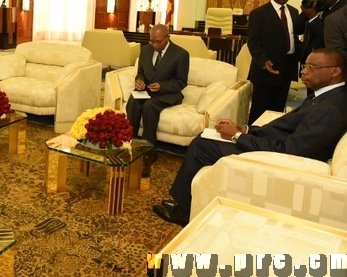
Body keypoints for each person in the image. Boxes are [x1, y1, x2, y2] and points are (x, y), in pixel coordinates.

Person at [153, 48, 347, 227]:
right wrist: (245, 130)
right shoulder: (323, 97)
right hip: (277, 147)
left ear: (335, 71)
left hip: (278, 159)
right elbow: (286, 127)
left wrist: (237, 137)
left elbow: (289, 150)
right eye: (305, 66)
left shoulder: (330, 109)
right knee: (206, 137)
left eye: (312, 67)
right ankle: (185, 201)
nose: (304, 71)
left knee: (201, 145)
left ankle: (184, 211)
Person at [126, 24, 189, 175]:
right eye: (152, 41)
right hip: (146, 91)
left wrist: (162, 86)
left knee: (149, 107)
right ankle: (131, 144)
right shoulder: (146, 50)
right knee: (133, 102)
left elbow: (181, 81)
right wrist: (139, 80)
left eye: (158, 42)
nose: (154, 45)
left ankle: (148, 152)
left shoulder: (181, 54)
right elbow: (140, 72)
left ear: (168, 37)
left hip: (167, 93)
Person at [246, 0, 300, 124]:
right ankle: (252, 138)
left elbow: (295, 39)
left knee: (277, 109)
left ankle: (271, 139)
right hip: (266, 69)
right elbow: (253, 41)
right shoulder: (259, 14)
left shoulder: (294, 12)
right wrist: (264, 61)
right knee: (260, 110)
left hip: (287, 68)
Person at [295, 0, 345, 81]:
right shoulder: (321, 4)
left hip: (327, 66)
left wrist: (313, 18)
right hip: (311, 62)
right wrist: (305, 10)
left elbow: (330, 37)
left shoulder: (342, 10)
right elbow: (297, 29)